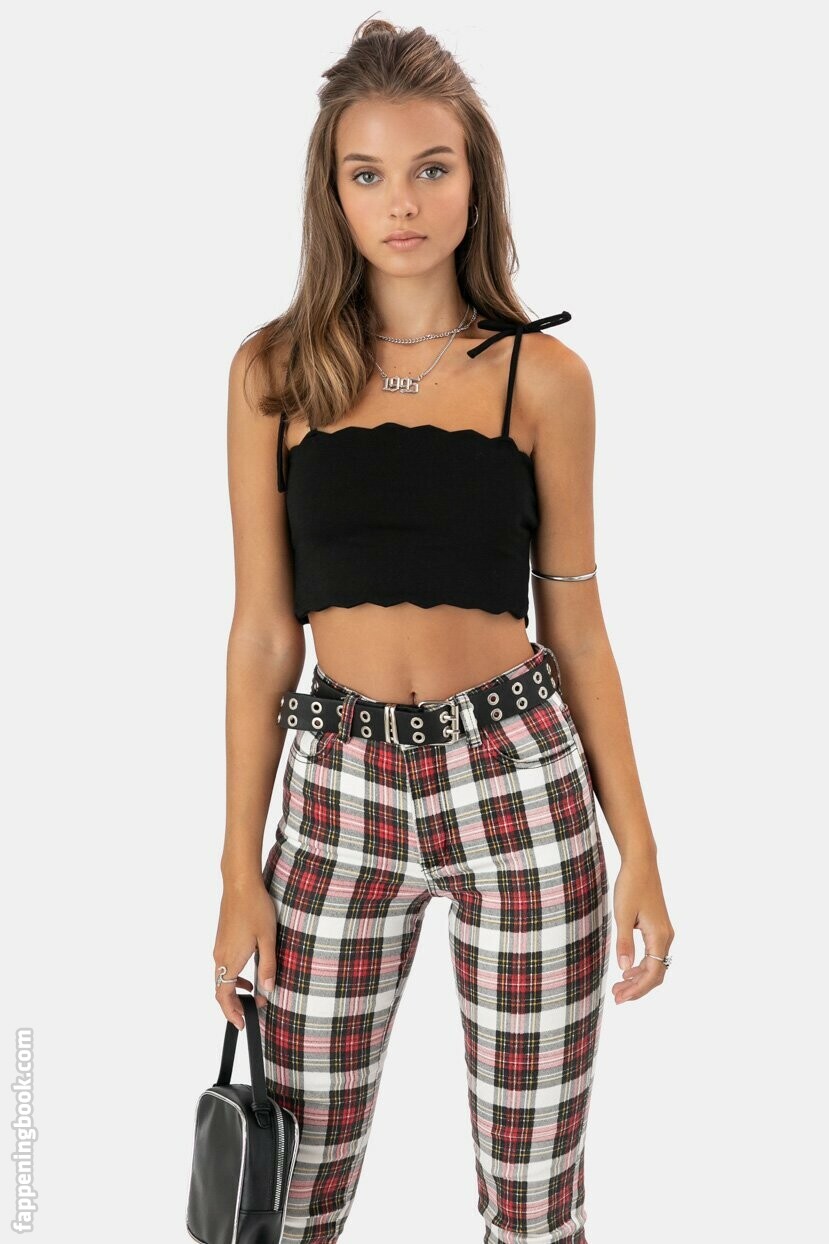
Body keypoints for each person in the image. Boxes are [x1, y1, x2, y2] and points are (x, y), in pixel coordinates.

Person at [213, 17, 675, 1244]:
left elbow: (577, 625)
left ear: (476, 179)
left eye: (431, 167)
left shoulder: (544, 380)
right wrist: (237, 868)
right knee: (283, 1195)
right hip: (335, 793)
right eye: (367, 173)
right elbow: (261, 635)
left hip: (517, 785)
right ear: (332, 192)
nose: (402, 202)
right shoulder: (273, 374)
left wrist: (637, 845)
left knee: (533, 1203)